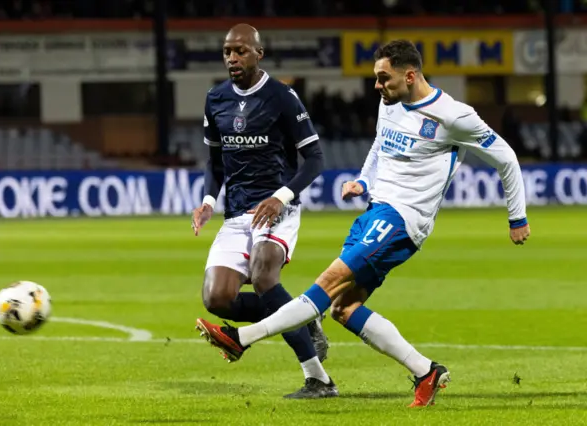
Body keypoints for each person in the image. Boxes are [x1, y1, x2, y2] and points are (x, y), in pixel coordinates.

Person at [195, 39, 531, 407]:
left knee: (326, 284)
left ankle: (240, 339)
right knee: (343, 308)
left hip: (403, 219)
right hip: (375, 213)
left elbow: (506, 158)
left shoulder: (454, 115)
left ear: (410, 74)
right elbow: (379, 146)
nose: (376, 86)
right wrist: (364, 181)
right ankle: (426, 372)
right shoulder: (391, 102)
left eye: (383, 78)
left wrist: (517, 217)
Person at [191, 23, 338, 399]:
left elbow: (316, 158)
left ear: (259, 53)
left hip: (277, 208)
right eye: (227, 51)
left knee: (263, 277)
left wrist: (282, 196)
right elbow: (215, 161)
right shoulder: (216, 98)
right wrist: (208, 202)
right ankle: (303, 316)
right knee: (216, 298)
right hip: (237, 212)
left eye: (240, 51)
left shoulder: (282, 97)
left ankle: (318, 378)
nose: (232, 58)